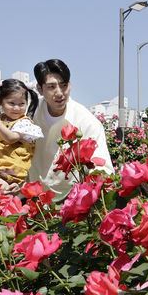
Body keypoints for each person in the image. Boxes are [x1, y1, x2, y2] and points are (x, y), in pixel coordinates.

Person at [30, 59, 114, 198]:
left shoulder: (87, 122)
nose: (59, 93)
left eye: (64, 85)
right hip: (34, 201)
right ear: (40, 89)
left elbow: (103, 168)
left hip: (69, 202)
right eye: (51, 87)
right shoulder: (30, 113)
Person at [0, 79, 43, 184]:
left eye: (21, 104)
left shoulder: (24, 123)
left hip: (15, 171)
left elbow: (11, 138)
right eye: (11, 103)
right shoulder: (0, 119)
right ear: (0, 101)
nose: (16, 108)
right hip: (0, 168)